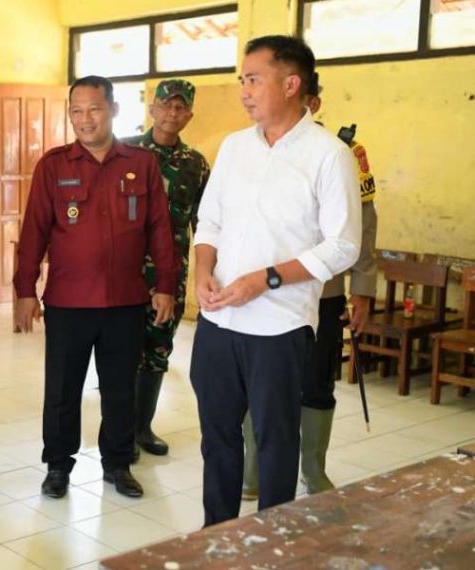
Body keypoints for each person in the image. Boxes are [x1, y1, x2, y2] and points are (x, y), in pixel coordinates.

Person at [189, 35, 361, 526]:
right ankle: (216, 534)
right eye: (242, 80)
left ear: (291, 84)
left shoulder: (329, 155)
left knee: (276, 441)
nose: (243, 91)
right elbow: (210, 223)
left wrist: (265, 279)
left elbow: (343, 244)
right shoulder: (234, 147)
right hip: (218, 321)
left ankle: (273, 541)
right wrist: (202, 272)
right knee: (218, 435)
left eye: (253, 79)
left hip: (279, 327)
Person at [14, 75, 179, 500]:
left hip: (125, 300)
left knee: (121, 389)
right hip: (69, 302)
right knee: (62, 391)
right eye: (76, 111)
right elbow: (33, 232)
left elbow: (160, 228)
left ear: (114, 110)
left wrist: (166, 284)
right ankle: (57, 466)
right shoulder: (53, 165)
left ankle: (118, 464)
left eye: (94, 109)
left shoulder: (141, 163)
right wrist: (24, 290)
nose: (85, 119)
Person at [241, 71, 380, 499]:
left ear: (312, 104)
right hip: (267, 291)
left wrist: (362, 289)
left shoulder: (344, 153)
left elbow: (366, 226)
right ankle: (254, 470)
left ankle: (313, 470)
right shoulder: (252, 149)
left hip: (325, 291)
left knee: (317, 382)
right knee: (258, 383)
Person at [121, 79, 211, 460]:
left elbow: (206, 222)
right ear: (152, 109)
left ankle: (143, 428)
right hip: (123, 273)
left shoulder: (195, 164)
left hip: (168, 274)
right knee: (121, 352)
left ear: (189, 115)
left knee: (158, 349)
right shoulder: (124, 152)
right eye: (166, 105)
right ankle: (120, 432)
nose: (173, 113)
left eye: (181, 108)